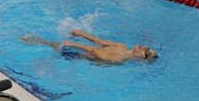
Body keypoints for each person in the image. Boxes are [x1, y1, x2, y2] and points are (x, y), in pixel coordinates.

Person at [21, 29, 156, 64]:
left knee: (52, 45)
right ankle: (33, 40)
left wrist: (74, 44)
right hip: (80, 49)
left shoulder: (117, 59)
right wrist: (81, 33)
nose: (145, 48)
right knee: (53, 43)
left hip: (77, 54)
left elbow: (94, 51)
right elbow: (99, 41)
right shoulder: (122, 46)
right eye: (148, 48)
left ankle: (28, 41)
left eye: (147, 53)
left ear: (141, 60)